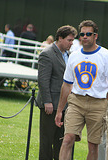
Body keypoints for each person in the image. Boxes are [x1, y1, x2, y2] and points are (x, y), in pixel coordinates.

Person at [55, 20, 108, 160]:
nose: (85, 37)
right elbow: (66, 84)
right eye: (82, 34)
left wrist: (105, 104)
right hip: (76, 101)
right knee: (67, 139)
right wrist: (60, 110)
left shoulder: (107, 56)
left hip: (98, 103)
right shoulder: (74, 56)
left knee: (93, 145)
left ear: (95, 36)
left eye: (88, 34)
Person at [36, 25, 77, 160]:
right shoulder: (47, 54)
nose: (72, 43)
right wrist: (47, 101)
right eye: (69, 40)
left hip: (66, 106)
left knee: (62, 141)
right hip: (50, 106)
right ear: (60, 38)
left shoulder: (70, 56)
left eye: (72, 40)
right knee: (47, 142)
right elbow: (43, 80)